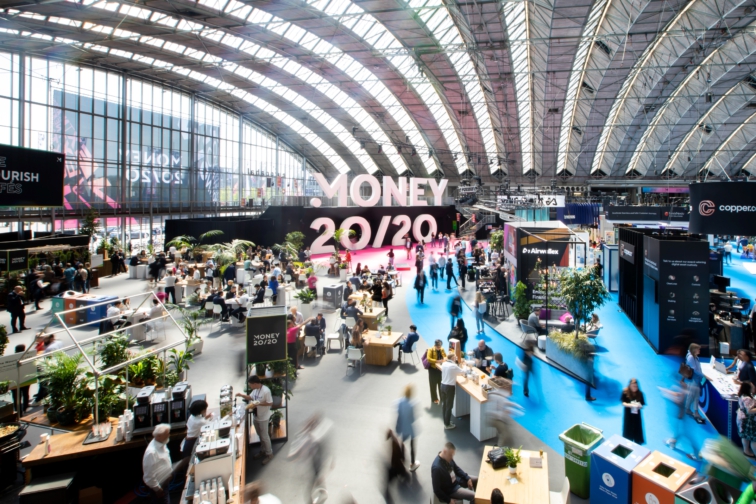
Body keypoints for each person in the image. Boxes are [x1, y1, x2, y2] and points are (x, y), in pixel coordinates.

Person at [238, 375, 274, 465]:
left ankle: (269, 454)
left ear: (254, 384)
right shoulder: (255, 390)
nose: (250, 386)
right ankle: (263, 450)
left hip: (263, 417)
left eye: (250, 384)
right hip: (256, 416)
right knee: (260, 435)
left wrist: (258, 404)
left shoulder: (266, 391)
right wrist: (241, 395)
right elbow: (250, 397)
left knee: (265, 436)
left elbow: (270, 403)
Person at [142, 424, 178, 504]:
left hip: (165, 482)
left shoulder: (162, 442)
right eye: (167, 434)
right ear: (158, 436)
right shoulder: (151, 453)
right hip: (159, 487)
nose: (169, 435)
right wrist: (157, 489)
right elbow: (149, 476)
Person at [396, 385, 420, 472]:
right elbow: (413, 419)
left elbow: (398, 415)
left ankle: (401, 460)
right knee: (412, 446)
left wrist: (398, 427)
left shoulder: (400, 402)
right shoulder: (412, 404)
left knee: (402, 443)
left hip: (403, 427)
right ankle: (412, 464)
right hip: (410, 428)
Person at [440, 354, 464, 430]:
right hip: (449, 387)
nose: (456, 359)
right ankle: (447, 424)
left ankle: (446, 421)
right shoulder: (453, 366)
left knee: (444, 405)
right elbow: (462, 372)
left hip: (442, 385)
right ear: (453, 358)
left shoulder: (444, 364)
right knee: (449, 406)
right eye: (455, 358)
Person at [685, 343, 706, 424]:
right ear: (694, 350)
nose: (699, 350)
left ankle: (695, 411)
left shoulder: (695, 357)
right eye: (698, 349)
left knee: (696, 396)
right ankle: (688, 409)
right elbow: (695, 370)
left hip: (696, 380)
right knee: (691, 395)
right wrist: (703, 375)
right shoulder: (691, 357)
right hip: (693, 380)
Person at [621, 379, 645, 444]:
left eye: (636, 386)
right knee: (627, 430)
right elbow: (623, 403)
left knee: (637, 429)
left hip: (637, 416)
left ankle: (637, 442)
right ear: (630, 386)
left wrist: (639, 406)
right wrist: (630, 405)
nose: (635, 388)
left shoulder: (640, 394)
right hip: (628, 416)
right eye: (633, 386)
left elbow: (642, 405)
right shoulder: (625, 392)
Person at [736, 381, 756, 457]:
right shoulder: (748, 398)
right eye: (752, 387)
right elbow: (749, 411)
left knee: (745, 436)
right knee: (754, 439)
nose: (754, 387)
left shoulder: (742, 395)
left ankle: (746, 451)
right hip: (749, 421)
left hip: (743, 419)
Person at [11, 344, 30, 413]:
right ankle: (25, 407)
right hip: (25, 379)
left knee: (16, 397)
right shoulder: (27, 357)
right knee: (25, 393)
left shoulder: (12, 358)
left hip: (15, 380)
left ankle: (18, 410)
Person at [426, 340, 446, 405]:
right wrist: (437, 361)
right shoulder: (430, 350)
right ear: (435, 345)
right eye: (438, 347)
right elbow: (428, 359)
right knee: (433, 385)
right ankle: (434, 399)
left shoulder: (442, 349)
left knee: (441, 384)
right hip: (433, 370)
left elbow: (445, 356)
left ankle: (442, 398)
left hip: (440, 369)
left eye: (440, 346)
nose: (439, 348)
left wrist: (444, 359)